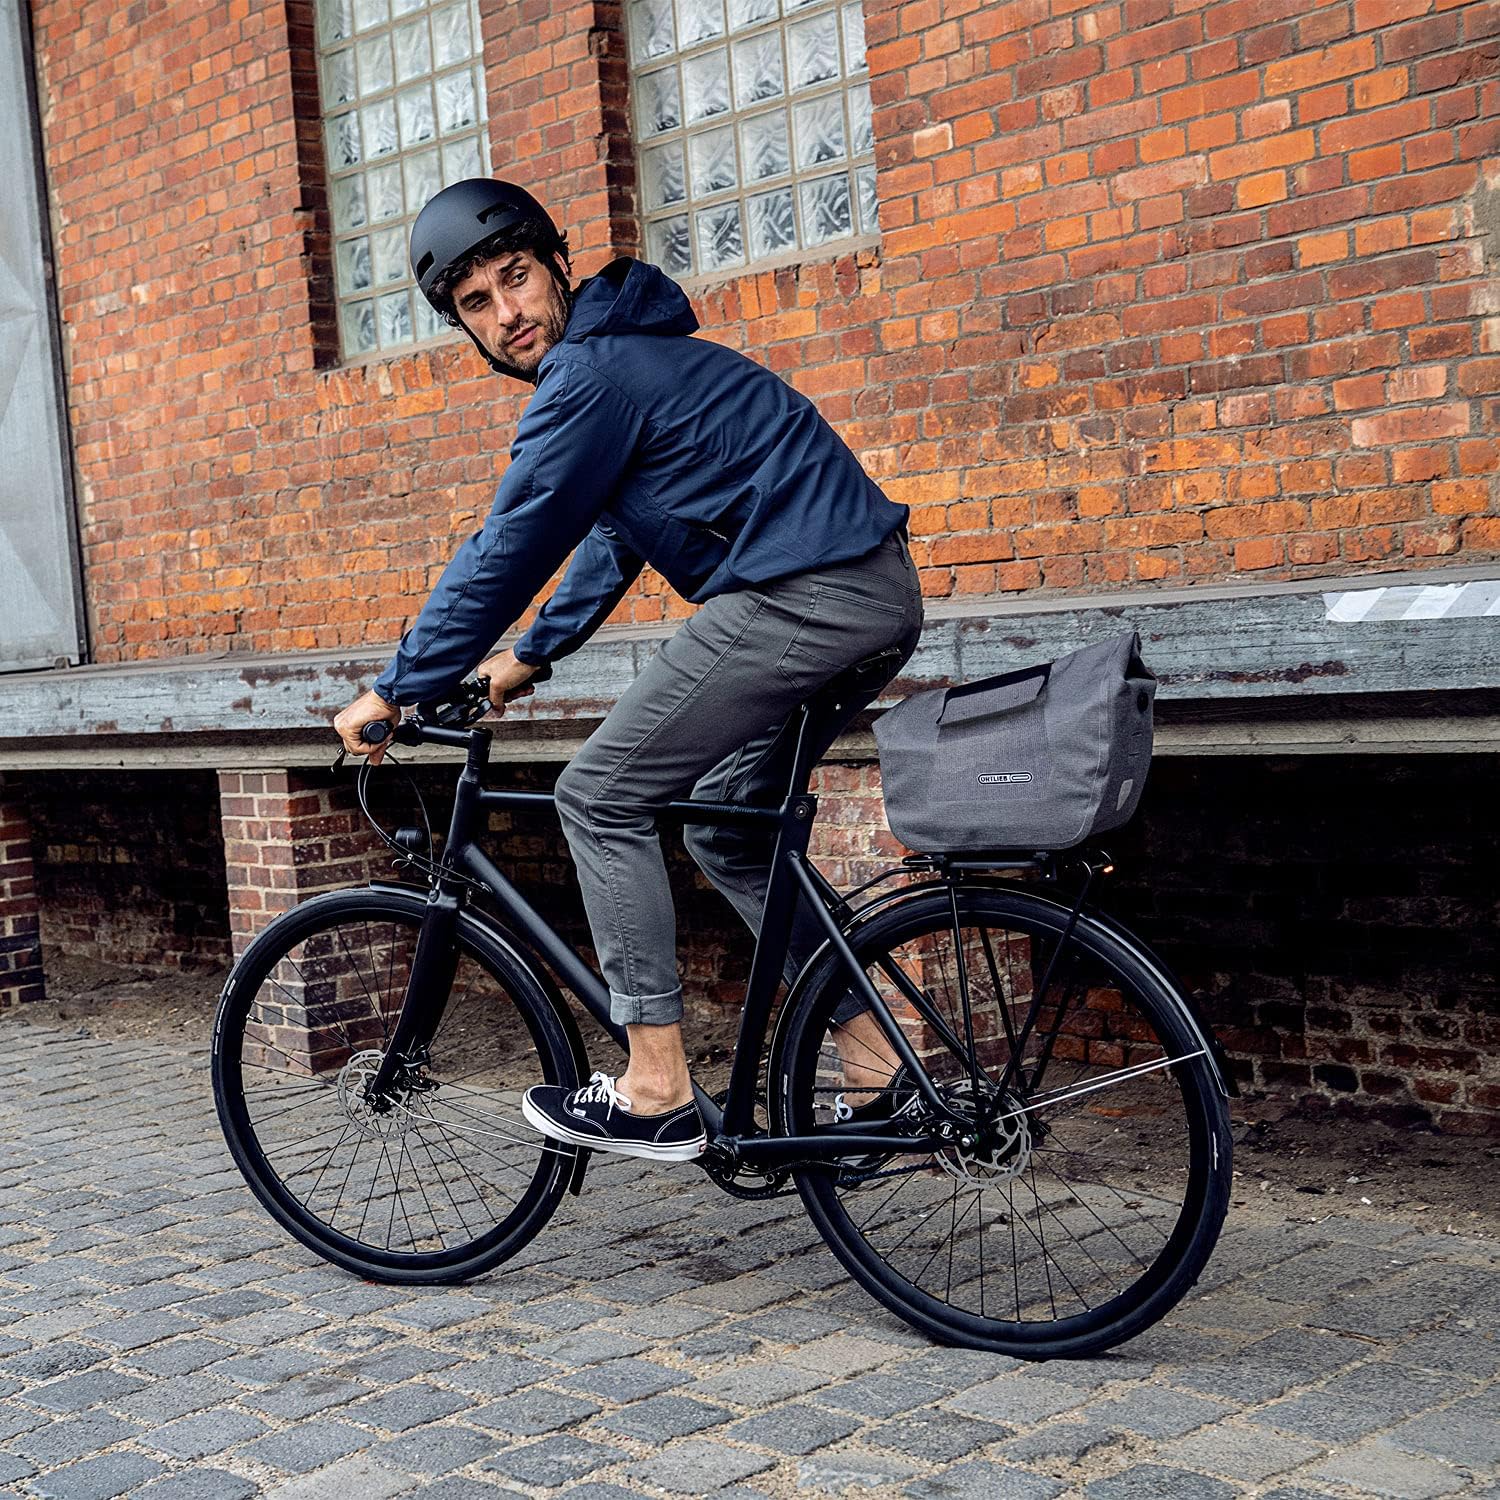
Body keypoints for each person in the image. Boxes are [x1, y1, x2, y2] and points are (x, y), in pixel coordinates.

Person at [334, 179, 923, 1162]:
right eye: (476, 305)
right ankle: (877, 1066)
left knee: (599, 793)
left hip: (805, 588)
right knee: (726, 829)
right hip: (862, 588)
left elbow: (510, 545)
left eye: (514, 278)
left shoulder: (590, 377)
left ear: (554, 266)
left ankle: (655, 1086)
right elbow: (613, 539)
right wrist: (526, 658)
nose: (507, 314)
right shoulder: (619, 364)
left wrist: (394, 686)